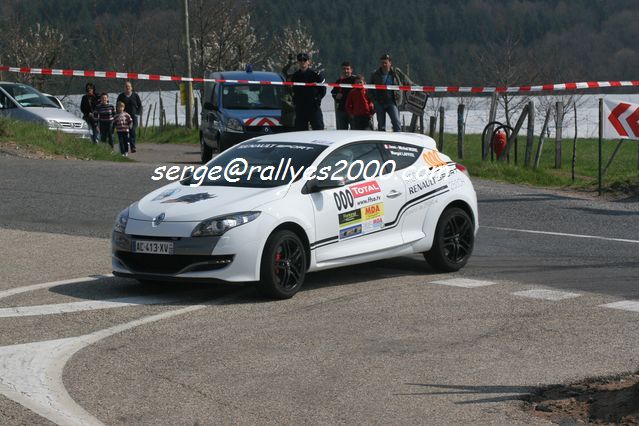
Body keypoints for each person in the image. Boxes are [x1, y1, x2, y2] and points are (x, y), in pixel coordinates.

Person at [369, 53, 406, 132]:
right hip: (379, 102)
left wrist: (418, 88)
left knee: (396, 122)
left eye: (385, 63)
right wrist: (374, 101)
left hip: (392, 102)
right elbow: (369, 89)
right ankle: (382, 143)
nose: (384, 64)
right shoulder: (375, 74)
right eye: (382, 63)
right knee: (381, 125)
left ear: (390, 62)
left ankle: (398, 140)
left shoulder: (396, 73)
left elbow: (407, 81)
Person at [291, 52, 326, 131]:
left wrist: (317, 99)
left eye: (304, 60)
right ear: (298, 62)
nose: (302, 62)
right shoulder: (295, 76)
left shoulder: (315, 75)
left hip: (313, 107)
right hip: (300, 107)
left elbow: (323, 90)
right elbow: (292, 90)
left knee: (318, 129)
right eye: (300, 60)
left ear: (308, 62)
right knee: (300, 130)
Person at [116, 81, 142, 153]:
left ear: (131, 88)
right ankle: (124, 148)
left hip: (133, 117)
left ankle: (133, 147)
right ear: (124, 88)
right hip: (123, 118)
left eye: (129, 86)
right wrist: (117, 115)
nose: (127, 88)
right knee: (124, 134)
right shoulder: (121, 96)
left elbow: (140, 106)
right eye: (126, 86)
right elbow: (117, 106)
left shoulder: (135, 95)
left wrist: (138, 113)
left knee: (132, 131)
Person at [331, 61, 357, 130]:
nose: (346, 71)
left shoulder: (356, 80)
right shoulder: (339, 81)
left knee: (355, 131)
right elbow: (333, 93)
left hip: (354, 110)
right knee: (341, 132)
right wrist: (336, 96)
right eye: (344, 69)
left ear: (351, 70)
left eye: (347, 69)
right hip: (342, 110)